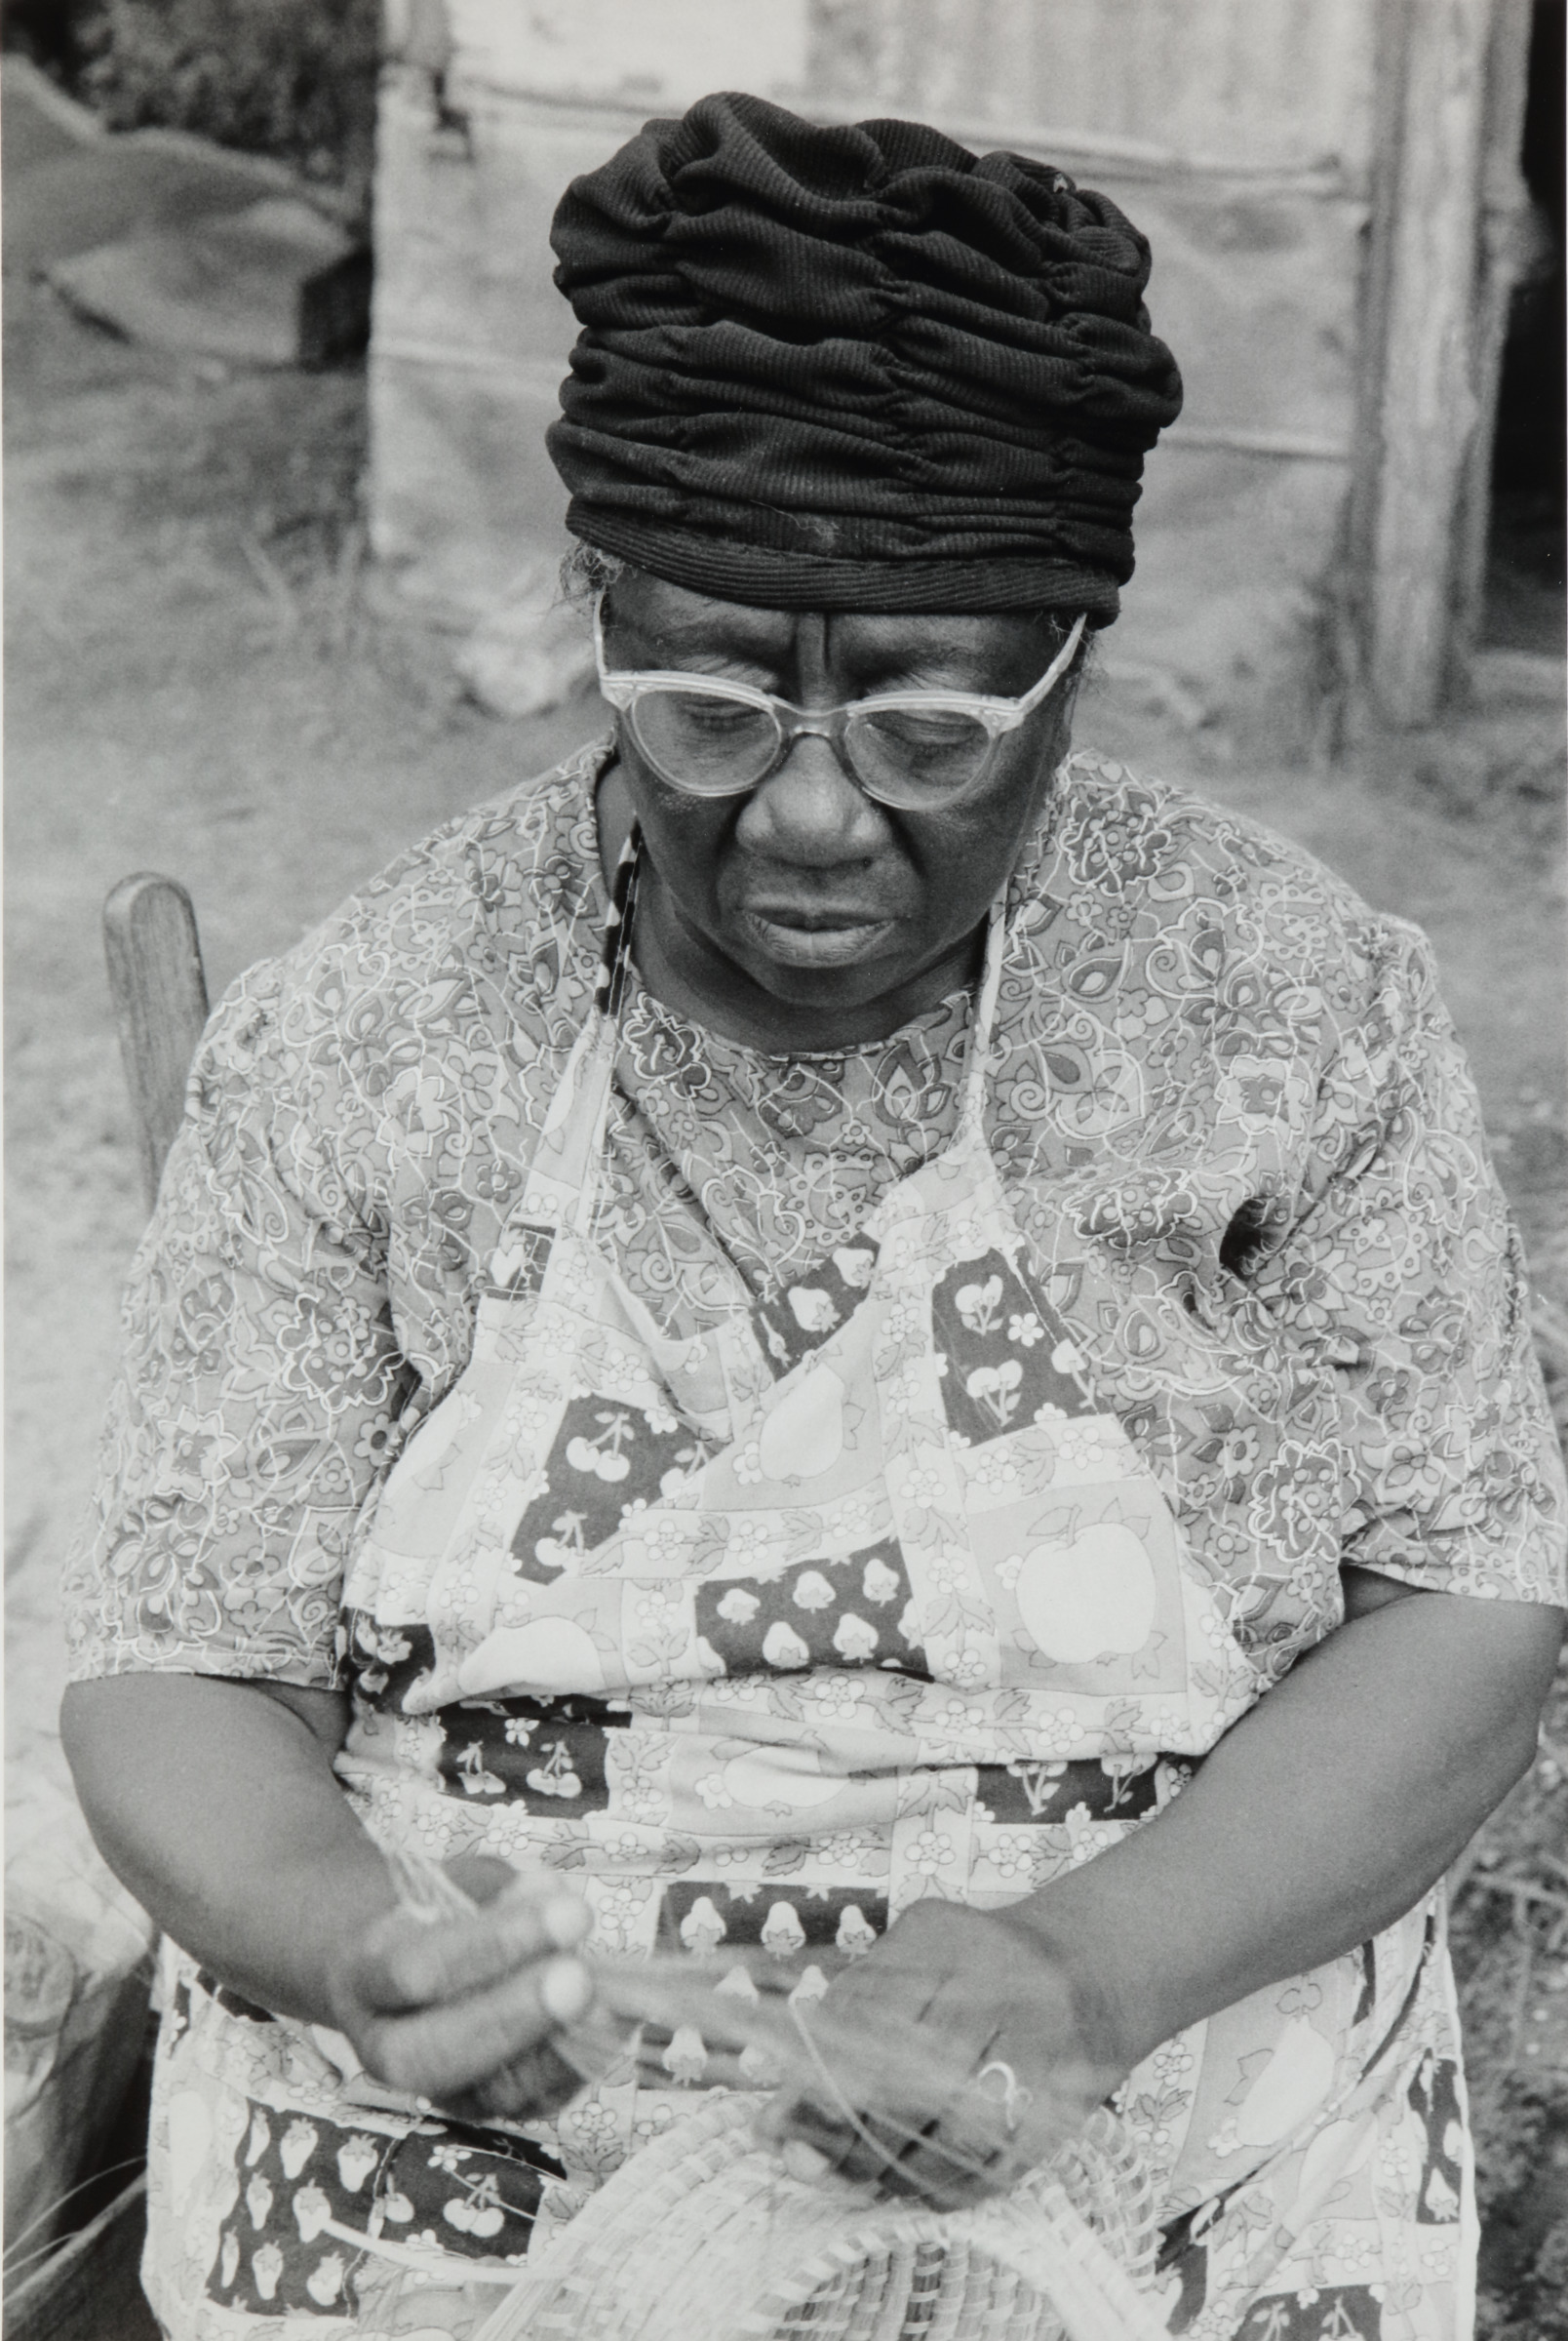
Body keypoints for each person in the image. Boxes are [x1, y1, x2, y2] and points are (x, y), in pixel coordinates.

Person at [60, 92, 1565, 2341]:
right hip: (463, 2157)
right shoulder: (370, 1033)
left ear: (1073, 664)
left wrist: (1092, 1967)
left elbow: (1465, 1613)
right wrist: (347, 1941)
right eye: (708, 701)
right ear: (602, 622)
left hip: (1155, 2096)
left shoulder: (1291, 1014)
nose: (814, 818)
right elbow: (176, 1664)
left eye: (936, 723)